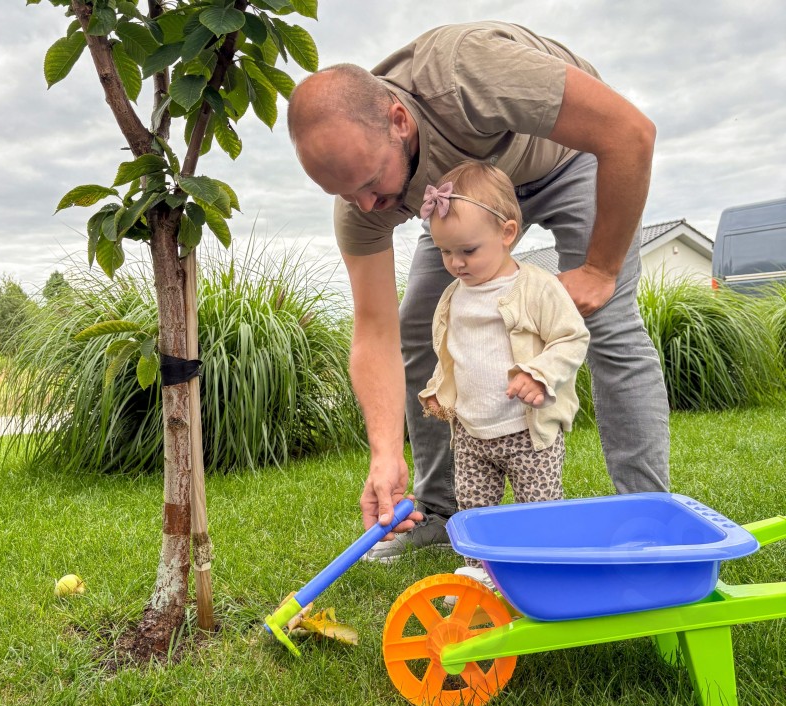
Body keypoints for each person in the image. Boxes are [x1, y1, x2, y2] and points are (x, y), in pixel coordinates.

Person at [287, 22, 670, 559]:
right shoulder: (360, 200)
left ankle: (648, 517)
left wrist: (601, 271)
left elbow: (630, 133)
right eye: (344, 194)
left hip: (564, 162)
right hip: (461, 206)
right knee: (420, 324)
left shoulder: (465, 73)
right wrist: (383, 454)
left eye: (372, 182)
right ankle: (440, 510)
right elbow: (375, 332)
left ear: (399, 122)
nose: (368, 206)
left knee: (604, 321)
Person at [410, 161, 590, 583]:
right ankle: (482, 574)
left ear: (507, 233)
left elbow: (572, 338)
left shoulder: (537, 287)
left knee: (538, 510)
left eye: (467, 251)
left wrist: (540, 373)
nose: (455, 262)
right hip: (473, 433)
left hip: (529, 433)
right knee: (475, 510)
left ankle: (544, 572)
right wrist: (441, 389)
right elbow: (454, 352)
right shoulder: (454, 295)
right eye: (444, 252)